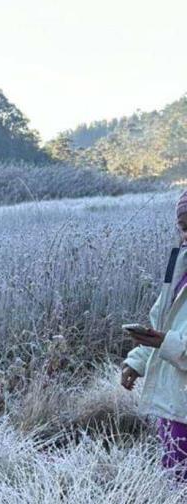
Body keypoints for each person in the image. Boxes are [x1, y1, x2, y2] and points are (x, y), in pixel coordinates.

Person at [122, 189, 187, 479]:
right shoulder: (179, 263)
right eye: (185, 227)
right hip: (173, 400)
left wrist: (165, 343)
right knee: (174, 479)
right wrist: (137, 360)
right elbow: (160, 319)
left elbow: (166, 336)